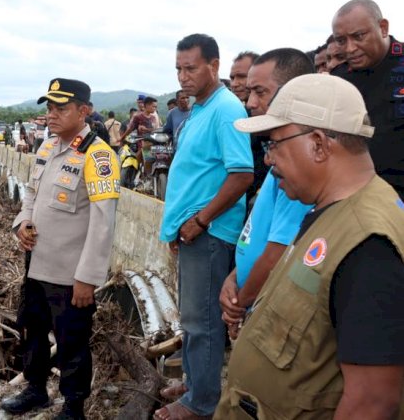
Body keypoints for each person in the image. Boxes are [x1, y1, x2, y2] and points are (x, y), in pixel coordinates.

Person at [216, 73, 404, 419]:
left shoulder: (367, 246)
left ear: (318, 143)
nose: (268, 161)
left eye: (274, 144)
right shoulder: (331, 211)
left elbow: (373, 401)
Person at [0, 78, 119, 420]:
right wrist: (22, 223)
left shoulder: (98, 156)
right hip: (37, 264)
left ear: (84, 111)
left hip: (70, 274)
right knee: (33, 331)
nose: (52, 115)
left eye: (61, 108)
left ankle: (73, 405)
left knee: (72, 343)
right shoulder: (47, 147)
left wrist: (88, 277)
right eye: (49, 108)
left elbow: (103, 222)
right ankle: (36, 390)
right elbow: (31, 195)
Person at [155, 34, 253, 420]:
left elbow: (242, 174)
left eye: (191, 68)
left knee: (204, 321)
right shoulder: (199, 108)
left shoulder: (226, 109)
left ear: (214, 66)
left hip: (209, 234)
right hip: (192, 232)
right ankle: (196, 382)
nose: (183, 76)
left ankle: (202, 402)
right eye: (179, 68)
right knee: (193, 317)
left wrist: (201, 220)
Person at [218, 48, 314, 340]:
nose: (250, 103)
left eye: (259, 92)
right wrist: (234, 277)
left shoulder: (300, 174)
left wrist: (240, 302)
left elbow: (278, 251)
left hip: (269, 307)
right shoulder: (279, 163)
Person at [331, 0, 404, 198]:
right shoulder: (339, 78)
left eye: (358, 36)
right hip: (356, 194)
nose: (349, 48)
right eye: (341, 40)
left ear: (383, 27)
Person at [120, 96, 158, 176]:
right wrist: (122, 138)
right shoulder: (138, 117)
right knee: (143, 160)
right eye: (153, 106)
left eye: (156, 107)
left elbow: (155, 130)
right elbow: (130, 129)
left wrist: (147, 129)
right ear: (147, 105)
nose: (155, 108)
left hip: (153, 143)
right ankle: (140, 175)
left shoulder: (153, 117)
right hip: (142, 142)